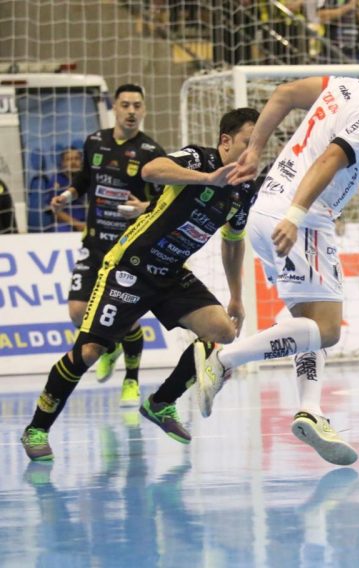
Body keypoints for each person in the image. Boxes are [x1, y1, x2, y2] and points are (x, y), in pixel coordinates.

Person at [194, 56, 359, 466]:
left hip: (266, 208)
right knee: (326, 330)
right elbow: (329, 159)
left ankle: (311, 409)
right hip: (301, 216)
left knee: (307, 325)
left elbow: (284, 94)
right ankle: (222, 360)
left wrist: (256, 149)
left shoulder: (349, 86)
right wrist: (297, 215)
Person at [19, 107, 262, 462]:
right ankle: (36, 428)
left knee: (223, 331)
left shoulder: (246, 189)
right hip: (130, 265)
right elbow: (152, 169)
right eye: (248, 142)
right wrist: (209, 179)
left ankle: (161, 402)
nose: (256, 151)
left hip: (171, 273)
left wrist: (237, 296)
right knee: (89, 352)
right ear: (226, 141)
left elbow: (233, 239)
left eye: (261, 144)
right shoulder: (199, 157)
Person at [49, 84, 165, 406]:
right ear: (115, 107)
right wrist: (68, 196)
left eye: (137, 105)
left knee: (125, 317)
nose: (131, 111)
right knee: (77, 312)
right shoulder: (95, 142)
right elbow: (85, 179)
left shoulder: (152, 152)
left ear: (143, 110)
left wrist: (143, 208)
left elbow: (164, 202)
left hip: (128, 247)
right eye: (125, 104)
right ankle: (111, 347)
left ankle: (131, 379)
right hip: (94, 241)